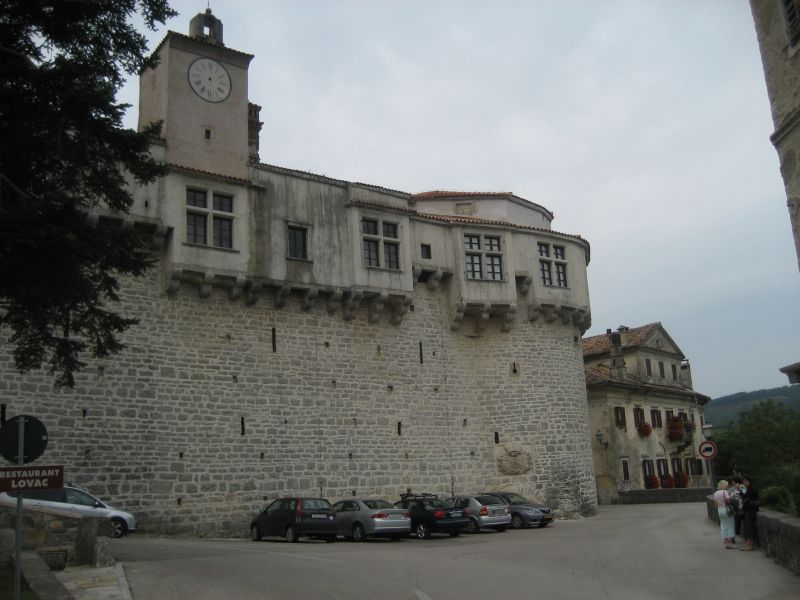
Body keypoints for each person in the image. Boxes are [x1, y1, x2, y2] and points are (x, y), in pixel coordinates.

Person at [712, 479, 736, 549]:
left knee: (723, 525)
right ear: (724, 485)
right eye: (726, 485)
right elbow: (728, 500)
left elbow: (715, 503)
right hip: (726, 509)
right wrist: (732, 496)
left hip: (719, 510)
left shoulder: (715, 493)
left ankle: (726, 542)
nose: (727, 486)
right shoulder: (724, 492)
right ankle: (730, 543)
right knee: (730, 525)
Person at [740, 476, 759, 551]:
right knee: (748, 527)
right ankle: (748, 543)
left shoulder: (752, 489)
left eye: (745, 481)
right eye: (743, 481)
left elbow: (747, 497)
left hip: (751, 510)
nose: (743, 483)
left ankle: (750, 544)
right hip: (748, 509)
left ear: (748, 481)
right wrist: (741, 491)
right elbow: (744, 497)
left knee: (750, 527)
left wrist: (742, 491)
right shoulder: (748, 489)